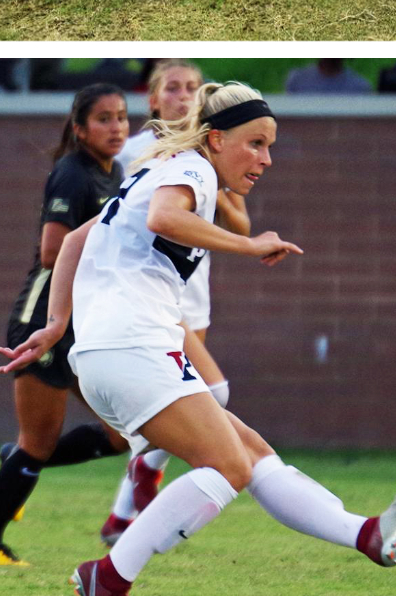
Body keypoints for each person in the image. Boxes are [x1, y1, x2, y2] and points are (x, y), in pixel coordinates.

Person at [0, 82, 396, 596]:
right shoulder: (194, 168)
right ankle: (109, 576)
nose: (266, 158)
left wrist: (55, 324)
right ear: (218, 138)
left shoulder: (158, 170)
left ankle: (366, 535)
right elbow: (163, 219)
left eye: (270, 145)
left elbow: (74, 242)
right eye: (256, 143)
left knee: (249, 453)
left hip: (115, 351)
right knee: (226, 464)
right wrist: (249, 245)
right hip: (132, 347)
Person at [0, 85, 132, 568]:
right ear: (80, 127)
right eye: (104, 119)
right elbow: (52, 252)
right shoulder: (72, 174)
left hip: (88, 323)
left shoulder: (118, 173)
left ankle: (16, 461)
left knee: (126, 433)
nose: (116, 128)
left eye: (122, 118)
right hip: (44, 319)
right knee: (39, 441)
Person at [99, 62, 244, 546]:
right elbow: (118, 219)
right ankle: (141, 483)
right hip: (150, 294)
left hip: (191, 288)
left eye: (192, 89)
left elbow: (238, 225)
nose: (184, 97)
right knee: (208, 394)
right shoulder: (140, 153)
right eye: (174, 88)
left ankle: (122, 517)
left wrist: (215, 185)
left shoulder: (207, 156)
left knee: (182, 400)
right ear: (153, 100)